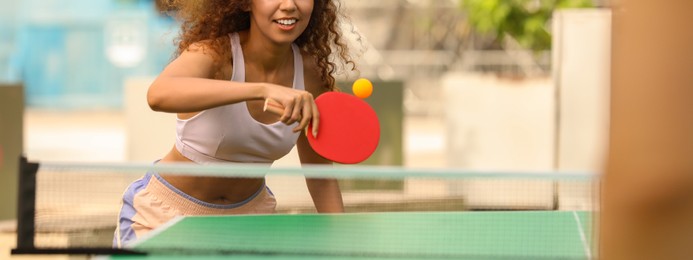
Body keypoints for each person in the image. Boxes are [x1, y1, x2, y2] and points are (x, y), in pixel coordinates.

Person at [114, 0, 355, 247]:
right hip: (165, 214)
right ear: (245, 3)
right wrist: (260, 90)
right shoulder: (214, 55)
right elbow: (158, 95)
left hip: (249, 220)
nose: (289, 5)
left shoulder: (310, 75)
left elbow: (320, 175)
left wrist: (345, 241)